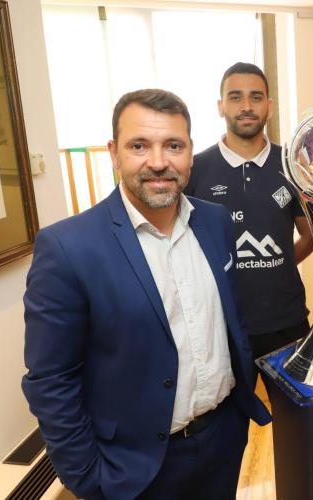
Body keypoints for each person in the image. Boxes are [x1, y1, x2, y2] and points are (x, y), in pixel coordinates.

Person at [22, 89, 271, 500]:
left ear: (190, 153)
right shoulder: (68, 248)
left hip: (223, 440)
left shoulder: (215, 222)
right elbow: (51, 380)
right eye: (139, 146)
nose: (158, 161)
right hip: (134, 467)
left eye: (173, 145)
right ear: (114, 153)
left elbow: (230, 320)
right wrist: (87, 479)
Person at [184, 62, 313, 368]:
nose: (246, 106)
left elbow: (310, 236)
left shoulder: (293, 163)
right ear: (221, 107)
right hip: (220, 324)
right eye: (235, 97)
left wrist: (278, 264)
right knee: (229, 403)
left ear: (269, 106)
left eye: (256, 97)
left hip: (286, 320)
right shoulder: (195, 169)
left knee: (294, 401)